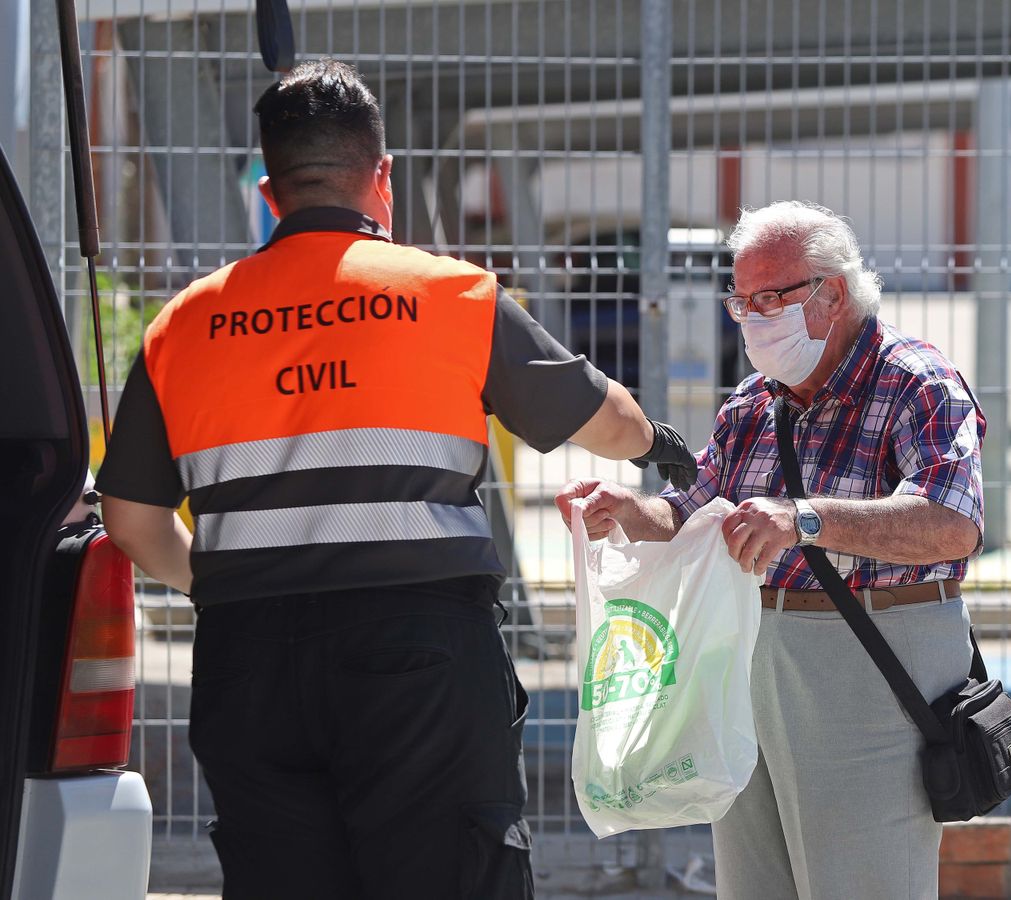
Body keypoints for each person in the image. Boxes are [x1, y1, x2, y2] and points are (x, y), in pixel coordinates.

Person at [95, 59, 696, 899]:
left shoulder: (183, 325)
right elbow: (604, 421)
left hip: (248, 659)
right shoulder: (448, 295)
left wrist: (227, 582)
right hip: (418, 657)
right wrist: (656, 445)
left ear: (270, 190)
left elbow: (129, 520)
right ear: (382, 176)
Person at [557, 200, 985, 899]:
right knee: (756, 886)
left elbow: (951, 521)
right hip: (754, 661)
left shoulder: (916, 381)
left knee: (866, 883)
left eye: (771, 297)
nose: (753, 317)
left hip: (877, 661)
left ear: (833, 294)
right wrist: (625, 511)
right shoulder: (755, 401)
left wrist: (806, 519)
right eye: (741, 300)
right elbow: (697, 512)